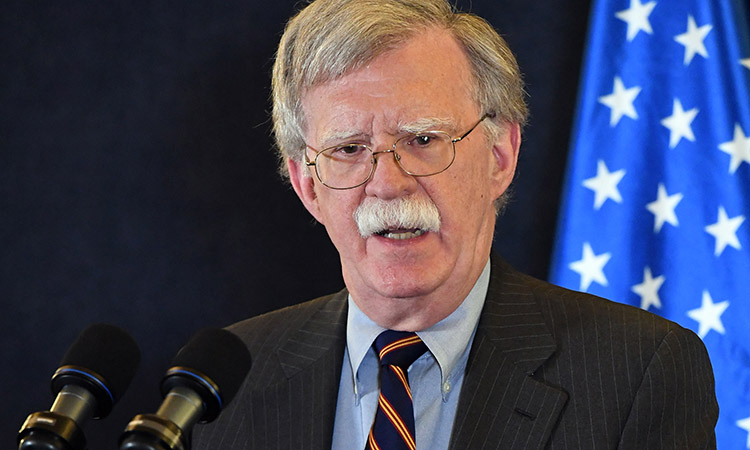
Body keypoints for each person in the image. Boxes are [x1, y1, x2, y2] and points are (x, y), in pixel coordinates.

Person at [192, 0, 718, 448]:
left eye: (423, 140)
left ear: (500, 156)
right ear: (307, 185)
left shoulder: (638, 373)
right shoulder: (225, 383)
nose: (388, 183)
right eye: (349, 149)